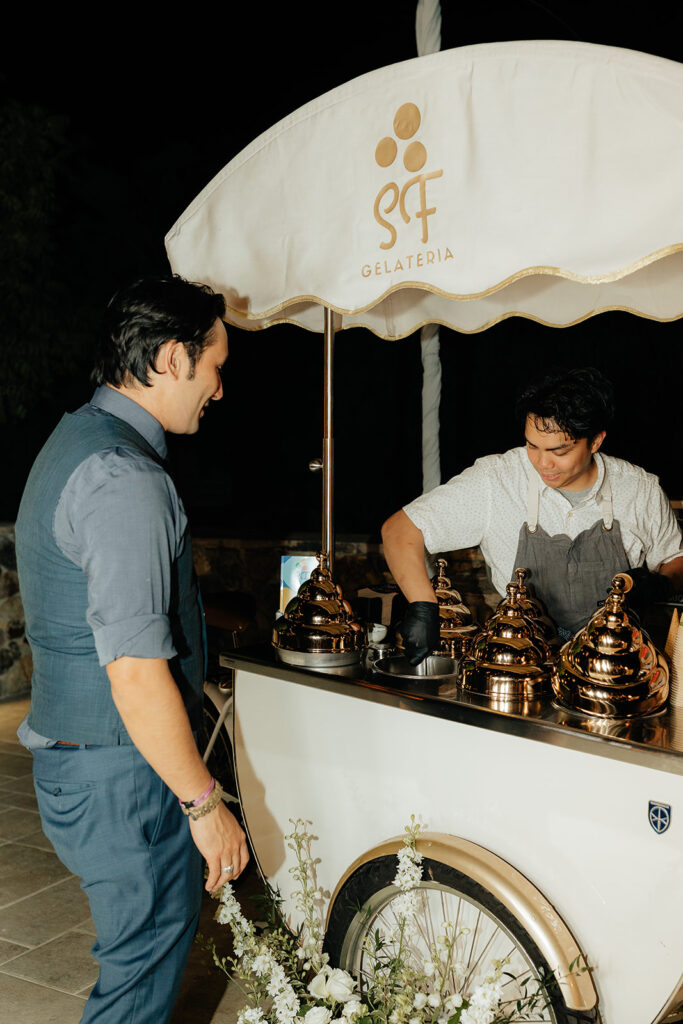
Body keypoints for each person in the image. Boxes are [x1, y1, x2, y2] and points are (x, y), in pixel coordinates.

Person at [15, 275, 249, 1024]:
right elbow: (136, 672)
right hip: (122, 773)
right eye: (215, 366)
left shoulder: (75, 438)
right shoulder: (123, 478)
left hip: (86, 759)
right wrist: (204, 802)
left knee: (139, 964)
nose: (218, 390)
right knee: (137, 989)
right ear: (175, 358)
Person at [382, 366, 683, 664]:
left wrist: (661, 583)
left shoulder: (638, 489)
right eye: (532, 445)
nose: (542, 463)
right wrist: (423, 606)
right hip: (521, 663)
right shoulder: (496, 480)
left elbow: (675, 558)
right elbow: (400, 531)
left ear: (595, 441)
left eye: (559, 452)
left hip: (611, 667)